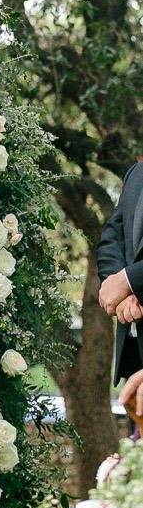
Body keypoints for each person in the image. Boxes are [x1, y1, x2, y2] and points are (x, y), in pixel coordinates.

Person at [97, 160, 143, 384]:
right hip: (135, 354)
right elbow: (111, 239)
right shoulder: (136, 173)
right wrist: (118, 289)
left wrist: (131, 282)